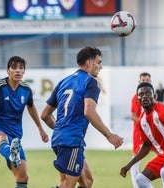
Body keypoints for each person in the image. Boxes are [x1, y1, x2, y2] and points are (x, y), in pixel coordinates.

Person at [40, 47, 124, 188]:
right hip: (71, 141)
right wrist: (109, 135)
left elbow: (44, 115)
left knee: (87, 182)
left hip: (61, 139)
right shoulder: (90, 82)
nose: (101, 67)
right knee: (68, 185)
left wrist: (60, 129)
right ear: (89, 63)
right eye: (99, 62)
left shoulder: (63, 82)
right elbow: (89, 111)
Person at [0, 56, 49, 188]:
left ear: (24, 72)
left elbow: (31, 107)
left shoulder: (26, 90)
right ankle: (11, 154)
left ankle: (12, 153)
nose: (18, 71)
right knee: (1, 137)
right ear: (8, 71)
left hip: (14, 137)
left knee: (22, 177)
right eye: (14, 67)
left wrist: (40, 128)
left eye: (21, 68)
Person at [130, 72, 151, 188]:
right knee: (134, 163)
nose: (145, 82)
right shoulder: (136, 98)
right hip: (140, 134)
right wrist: (145, 125)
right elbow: (133, 116)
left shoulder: (153, 97)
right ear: (139, 82)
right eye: (143, 80)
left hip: (153, 133)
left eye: (147, 80)